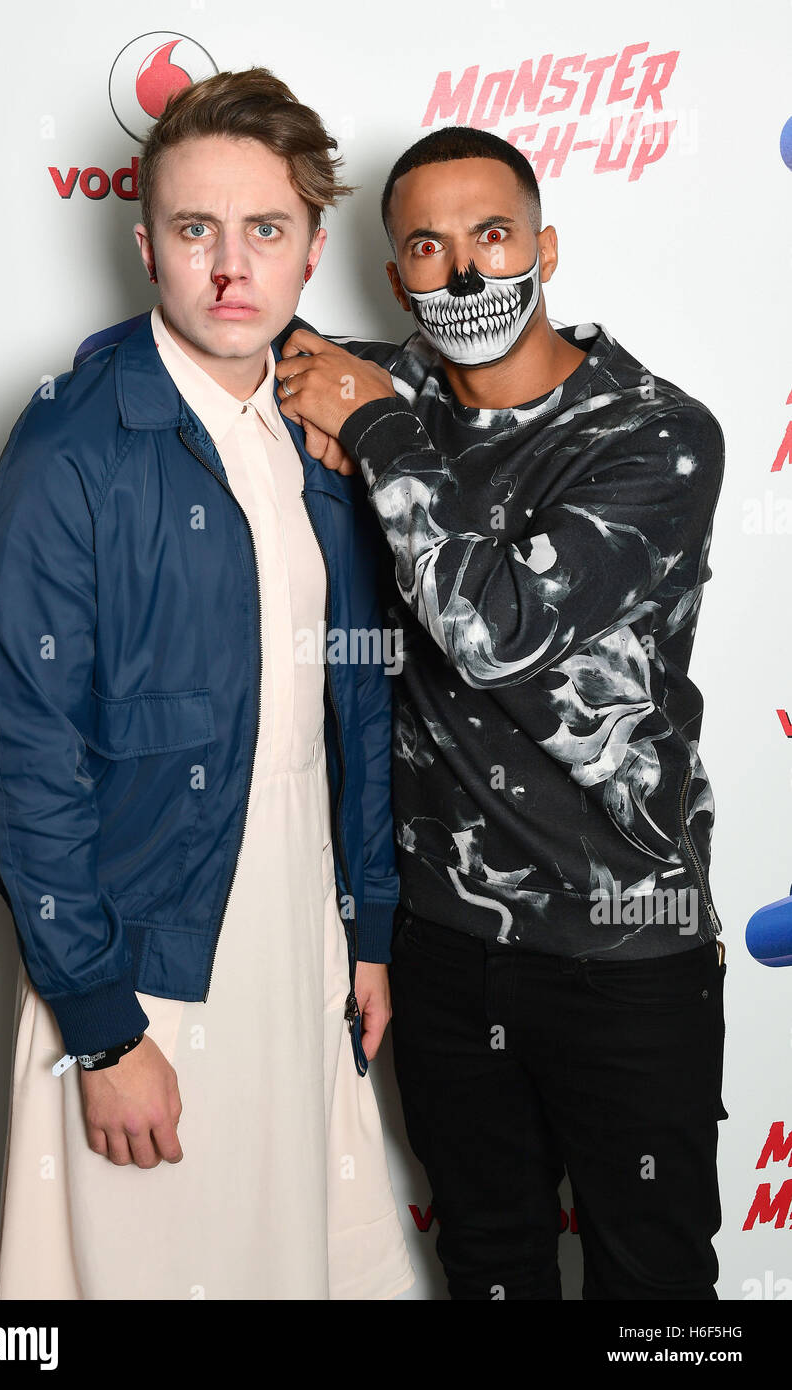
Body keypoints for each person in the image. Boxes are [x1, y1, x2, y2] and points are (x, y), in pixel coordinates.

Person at [0, 67, 413, 1301]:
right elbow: (25, 755)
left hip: (300, 939)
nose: (231, 269)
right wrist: (105, 1027)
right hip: (144, 957)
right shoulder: (70, 444)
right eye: (194, 231)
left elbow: (351, 712)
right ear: (145, 246)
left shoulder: (321, 424)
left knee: (302, 1261)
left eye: (265, 231)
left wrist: (366, 932)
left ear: (314, 247)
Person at [273, 125, 727, 1300]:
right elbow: (241, 328)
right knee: (486, 1265)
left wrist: (370, 427)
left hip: (625, 950)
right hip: (445, 948)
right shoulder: (396, 383)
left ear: (547, 246)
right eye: (428, 246)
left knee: (655, 1285)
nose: (466, 273)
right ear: (393, 278)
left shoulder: (659, 436)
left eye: (493, 235)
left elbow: (495, 632)